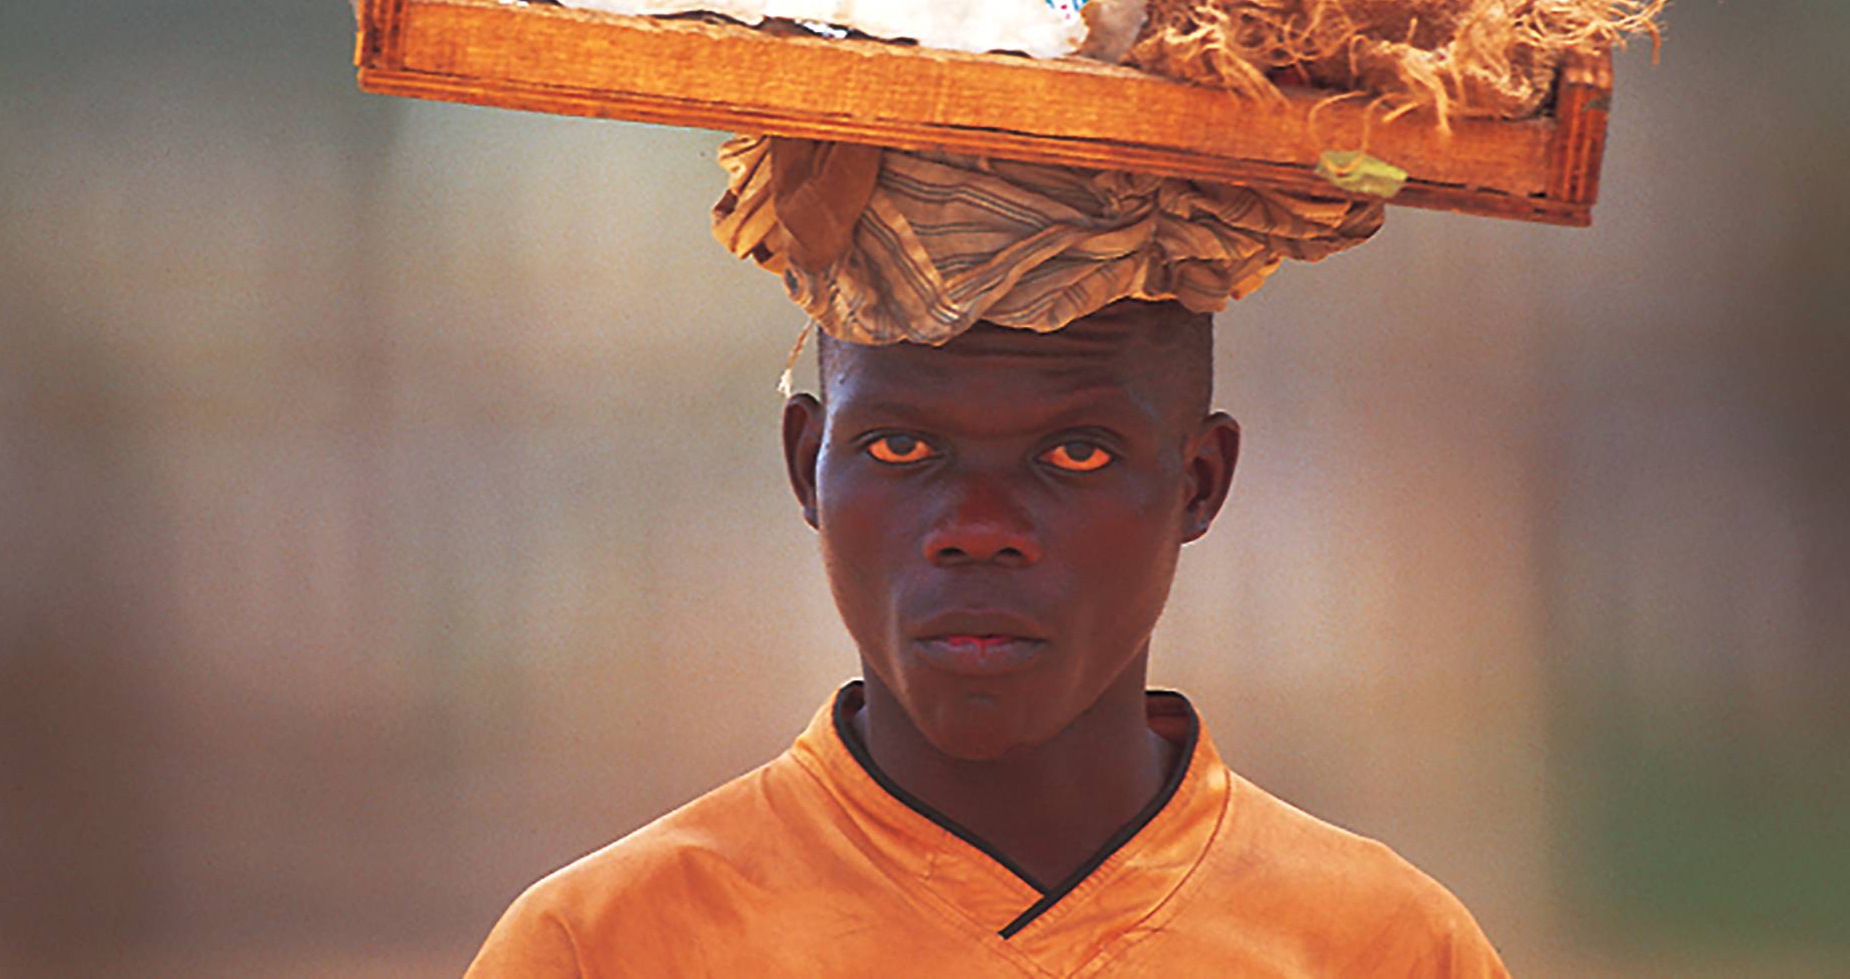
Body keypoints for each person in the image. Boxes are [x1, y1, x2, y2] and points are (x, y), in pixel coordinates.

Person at [464, 139, 1506, 975]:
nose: (978, 524)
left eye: (1076, 451)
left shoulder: (1385, 948)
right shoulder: (605, 947)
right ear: (806, 468)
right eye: (903, 448)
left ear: (1199, 484)